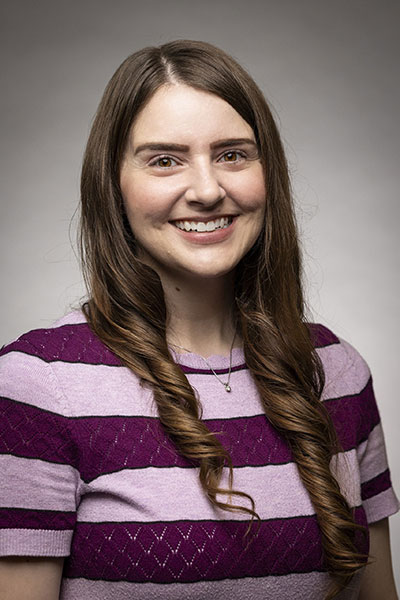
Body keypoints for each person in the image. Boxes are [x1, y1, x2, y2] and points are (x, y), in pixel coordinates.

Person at [0, 40, 398, 600]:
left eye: (233, 154)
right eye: (165, 160)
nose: (208, 190)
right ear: (113, 183)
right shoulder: (36, 385)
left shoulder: (336, 371)